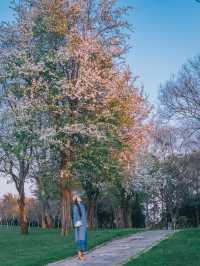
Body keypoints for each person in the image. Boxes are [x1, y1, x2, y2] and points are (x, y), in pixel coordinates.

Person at [72, 191, 88, 260]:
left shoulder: (82, 205)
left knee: (84, 240)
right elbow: (75, 216)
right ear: (76, 199)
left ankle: (82, 255)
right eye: (78, 197)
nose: (80, 197)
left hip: (84, 225)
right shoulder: (75, 207)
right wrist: (76, 223)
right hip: (79, 226)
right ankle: (80, 255)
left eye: (79, 196)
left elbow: (85, 215)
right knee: (80, 240)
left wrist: (86, 223)